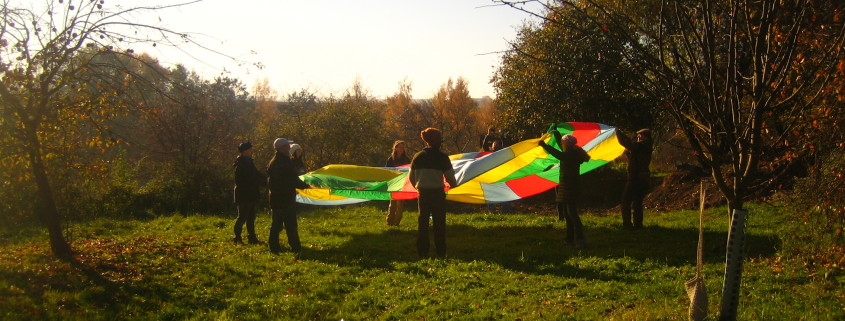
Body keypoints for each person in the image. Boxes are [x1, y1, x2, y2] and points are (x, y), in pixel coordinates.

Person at [409, 128, 458, 258]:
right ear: (437, 142)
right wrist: (454, 185)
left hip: (423, 194)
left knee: (423, 224)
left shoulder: (417, 157)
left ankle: (423, 252)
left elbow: (411, 178)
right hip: (437, 194)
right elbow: (450, 179)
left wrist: (419, 187)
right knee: (439, 224)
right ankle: (441, 252)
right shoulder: (442, 158)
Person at [539, 130, 591, 248]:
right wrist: (556, 133)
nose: (561, 144)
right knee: (568, 215)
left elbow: (557, 154)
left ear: (566, 144)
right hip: (568, 186)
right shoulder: (572, 151)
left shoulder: (569, 155)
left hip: (570, 187)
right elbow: (560, 146)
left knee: (572, 214)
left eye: (562, 143)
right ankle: (570, 240)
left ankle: (580, 240)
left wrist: (544, 145)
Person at [267, 138, 311, 254]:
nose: (289, 148)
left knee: (275, 226)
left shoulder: (273, 161)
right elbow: (292, 179)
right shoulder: (285, 162)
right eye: (287, 146)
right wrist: (306, 186)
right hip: (285, 199)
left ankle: (273, 248)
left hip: (275, 199)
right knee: (291, 226)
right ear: (282, 148)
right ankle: (296, 249)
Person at [617, 128, 653, 230]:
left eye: (639, 136)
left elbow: (628, 143)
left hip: (636, 178)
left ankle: (627, 225)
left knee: (625, 200)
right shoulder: (645, 146)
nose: (637, 137)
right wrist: (629, 154)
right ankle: (638, 225)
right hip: (642, 177)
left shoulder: (642, 145)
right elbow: (636, 158)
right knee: (637, 202)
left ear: (645, 137)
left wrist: (618, 132)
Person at [232, 141, 266, 244]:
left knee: (251, 217)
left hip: (250, 194)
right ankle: (237, 237)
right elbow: (246, 179)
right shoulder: (241, 164)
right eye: (250, 149)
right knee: (242, 217)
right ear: (244, 151)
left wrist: (266, 180)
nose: (252, 151)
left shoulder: (248, 162)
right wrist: (262, 181)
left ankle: (252, 238)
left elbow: (256, 175)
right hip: (244, 195)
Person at [385, 140, 411, 226]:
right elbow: (387, 171)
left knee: (400, 204)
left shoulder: (406, 159)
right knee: (392, 203)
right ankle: (389, 221)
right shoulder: (391, 159)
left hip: (402, 184)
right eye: (400, 147)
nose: (401, 149)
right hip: (393, 184)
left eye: (403, 147)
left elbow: (409, 171)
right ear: (395, 148)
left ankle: (396, 222)